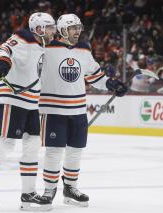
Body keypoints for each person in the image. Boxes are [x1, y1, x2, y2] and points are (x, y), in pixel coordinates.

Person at [0, 12, 56, 211]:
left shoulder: (42, 45)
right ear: (39, 28)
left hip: (31, 100)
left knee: (32, 144)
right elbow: (1, 49)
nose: (53, 31)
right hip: (13, 97)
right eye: (49, 27)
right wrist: (2, 63)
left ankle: (28, 194)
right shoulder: (24, 37)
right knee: (6, 142)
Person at [38, 14, 128, 208]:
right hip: (53, 110)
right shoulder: (45, 49)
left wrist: (112, 84)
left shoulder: (84, 49)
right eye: (73, 28)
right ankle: (49, 190)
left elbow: (95, 75)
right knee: (54, 152)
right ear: (62, 30)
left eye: (79, 27)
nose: (78, 31)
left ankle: (70, 188)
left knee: (75, 151)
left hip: (78, 109)